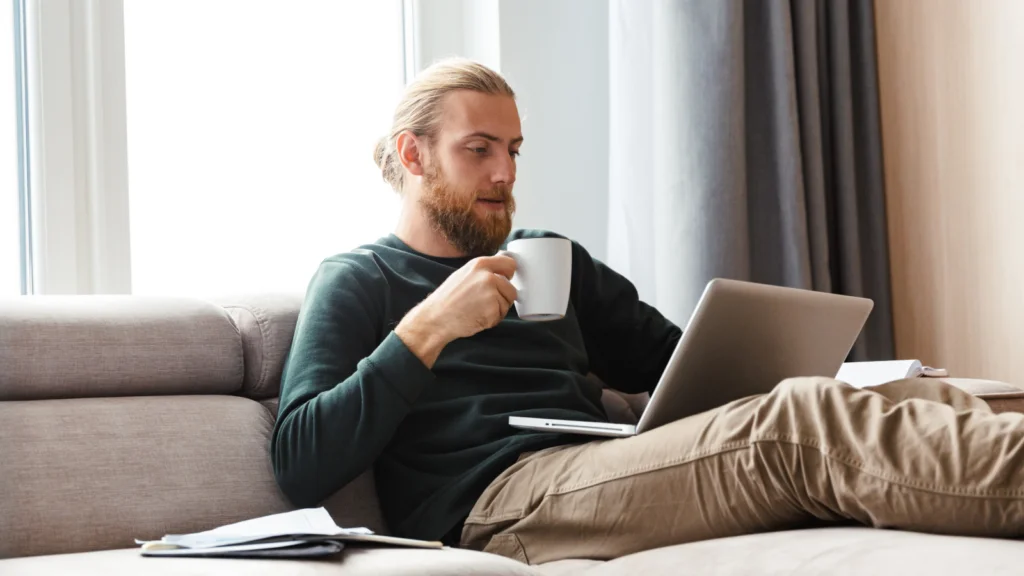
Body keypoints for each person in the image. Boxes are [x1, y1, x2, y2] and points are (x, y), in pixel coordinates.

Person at [270, 58, 1024, 564]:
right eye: (479, 150)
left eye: (514, 150)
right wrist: (428, 327)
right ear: (413, 155)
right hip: (497, 505)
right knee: (797, 423)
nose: (505, 173)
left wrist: (778, 361)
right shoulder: (360, 278)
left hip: (600, 465)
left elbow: (677, 362)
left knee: (911, 395)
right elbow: (303, 462)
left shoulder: (546, 254)